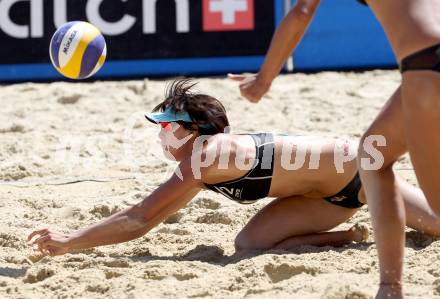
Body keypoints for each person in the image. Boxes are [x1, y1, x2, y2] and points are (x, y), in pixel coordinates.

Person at [28, 80, 440, 266]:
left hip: (362, 170)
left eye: (167, 127)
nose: (161, 136)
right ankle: (347, 235)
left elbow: (141, 218)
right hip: (324, 198)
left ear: (195, 131)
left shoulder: (206, 157)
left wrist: (71, 241)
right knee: (249, 244)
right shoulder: (204, 164)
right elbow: (149, 217)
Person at [229, 1, 440, 297]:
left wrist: (264, 79)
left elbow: (301, 12)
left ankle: (390, 288)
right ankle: (390, 288)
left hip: (427, 65)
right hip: (425, 65)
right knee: (372, 155)